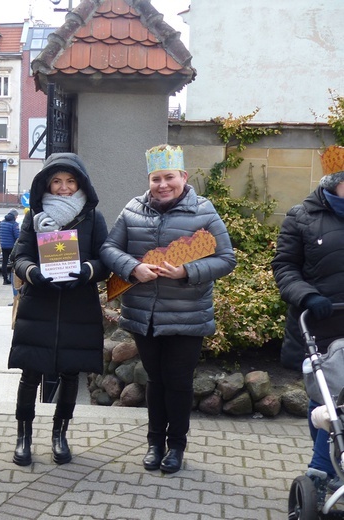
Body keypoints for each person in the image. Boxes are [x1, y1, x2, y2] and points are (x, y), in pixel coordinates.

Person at [99, 144, 236, 474]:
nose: (163, 185)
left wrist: (187, 271)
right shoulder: (133, 210)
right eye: (156, 178)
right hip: (144, 315)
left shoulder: (203, 210)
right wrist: (133, 268)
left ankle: (176, 446)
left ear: (183, 177)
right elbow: (108, 248)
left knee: (178, 382)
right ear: (149, 180)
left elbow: (226, 259)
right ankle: (154, 443)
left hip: (188, 315)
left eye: (169, 177)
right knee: (155, 380)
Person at [8, 153, 109, 466]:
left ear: (80, 183)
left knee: (69, 374)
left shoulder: (93, 217)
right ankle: (23, 436)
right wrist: (32, 273)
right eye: (57, 181)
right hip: (39, 304)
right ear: (46, 184)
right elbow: (19, 257)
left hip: (78, 307)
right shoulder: (33, 216)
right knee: (30, 374)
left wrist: (88, 270)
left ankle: (59, 434)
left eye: (70, 181)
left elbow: (105, 259)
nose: (64, 187)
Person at [272, 144, 344, 494]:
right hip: (321, 325)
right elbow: (284, 267)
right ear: (335, 181)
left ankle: (324, 467)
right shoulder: (302, 216)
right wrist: (307, 296)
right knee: (325, 402)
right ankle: (320, 471)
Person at [0, 208, 20, 285]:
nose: (17, 217)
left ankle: (5, 279)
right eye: (16, 216)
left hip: (3, 246)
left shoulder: (2, 223)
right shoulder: (14, 224)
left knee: (4, 262)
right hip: (12, 247)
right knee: (15, 262)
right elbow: (17, 236)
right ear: (14, 215)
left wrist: (2, 242)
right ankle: (13, 279)